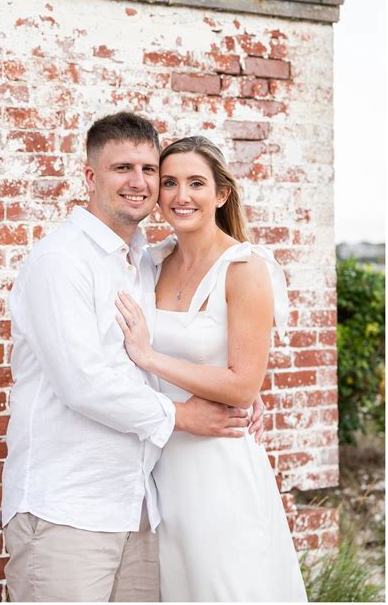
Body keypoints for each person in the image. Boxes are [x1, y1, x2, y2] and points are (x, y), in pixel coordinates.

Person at [1, 113, 265, 602]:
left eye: (149, 169)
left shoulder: (145, 261)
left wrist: (233, 388)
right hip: (69, 507)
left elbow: (169, 347)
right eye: (122, 167)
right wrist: (186, 414)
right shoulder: (61, 262)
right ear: (90, 177)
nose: (139, 182)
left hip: (142, 506)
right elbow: (84, 383)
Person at [115, 135, 308, 602]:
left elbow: (242, 386)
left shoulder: (245, 268)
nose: (181, 196)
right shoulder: (151, 262)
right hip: (162, 468)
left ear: (221, 194)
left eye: (196, 183)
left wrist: (151, 357)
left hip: (219, 465)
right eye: (170, 183)